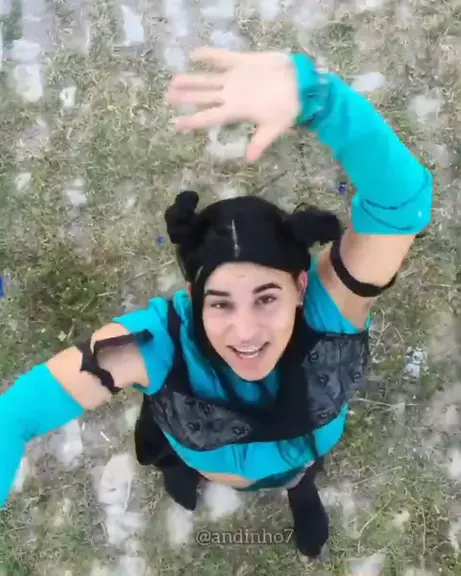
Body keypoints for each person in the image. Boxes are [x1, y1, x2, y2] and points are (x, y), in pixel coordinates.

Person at [0, 48, 432, 559]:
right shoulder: (157, 345)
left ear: (300, 287)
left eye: (266, 298)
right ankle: (184, 469)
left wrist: (322, 100)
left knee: (301, 472)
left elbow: (402, 205)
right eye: (220, 304)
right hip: (199, 457)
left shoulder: (332, 311)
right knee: (176, 459)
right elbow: (14, 416)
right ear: (193, 299)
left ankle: (300, 491)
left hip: (302, 455)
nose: (245, 332)